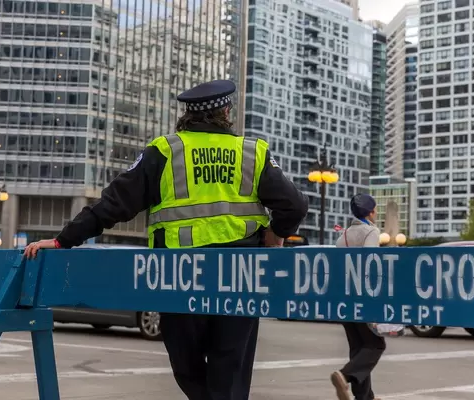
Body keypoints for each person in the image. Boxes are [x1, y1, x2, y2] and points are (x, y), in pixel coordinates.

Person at [23, 79, 309, 400]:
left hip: (179, 278)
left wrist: (63, 240)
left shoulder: (165, 151)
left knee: (186, 368)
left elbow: (113, 204)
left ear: (187, 114)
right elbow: (295, 205)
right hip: (239, 278)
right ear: (226, 112)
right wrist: (276, 234)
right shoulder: (252, 152)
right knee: (229, 372)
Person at [330, 193, 385, 400]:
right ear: (370, 212)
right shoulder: (371, 231)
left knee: (358, 348)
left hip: (345, 297)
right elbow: (371, 264)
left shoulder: (342, 236)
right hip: (363, 296)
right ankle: (344, 376)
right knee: (376, 345)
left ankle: (365, 397)